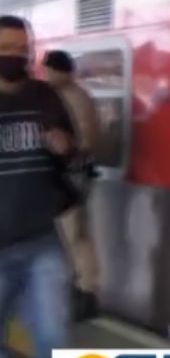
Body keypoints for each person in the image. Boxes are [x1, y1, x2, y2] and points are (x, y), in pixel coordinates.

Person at [0, 17, 79, 358]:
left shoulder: (44, 96)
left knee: (55, 341)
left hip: (41, 241)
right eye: (6, 48)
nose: (15, 55)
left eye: (21, 48)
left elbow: (71, 152)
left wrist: (64, 146)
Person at [42, 50, 102, 321]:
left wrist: (59, 150)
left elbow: (84, 141)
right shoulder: (74, 96)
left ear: (60, 71)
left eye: (48, 70)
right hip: (76, 175)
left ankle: (83, 293)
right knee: (77, 235)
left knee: (72, 236)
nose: (46, 75)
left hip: (71, 175)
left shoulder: (73, 99)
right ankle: (83, 290)